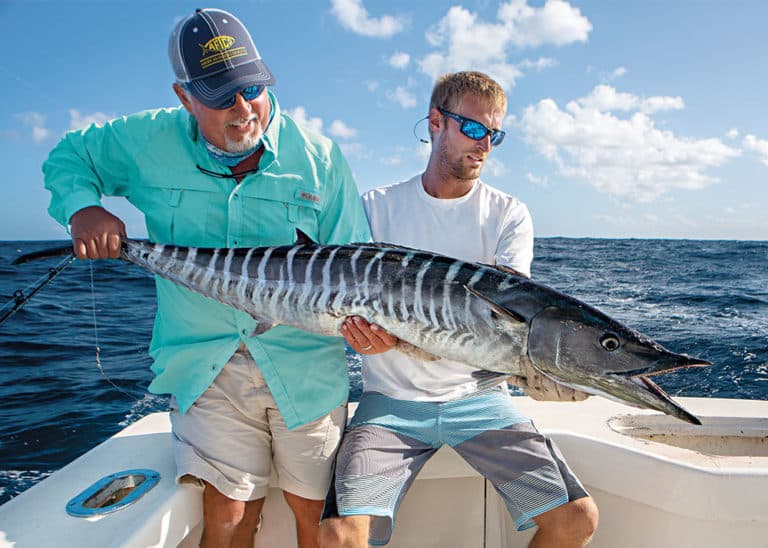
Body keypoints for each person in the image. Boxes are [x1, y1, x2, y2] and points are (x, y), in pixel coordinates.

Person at [42, 8, 370, 548]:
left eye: (253, 90)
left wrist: (372, 330)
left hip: (305, 364)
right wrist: (81, 209)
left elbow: (353, 263)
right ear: (184, 96)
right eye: (221, 97)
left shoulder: (320, 159)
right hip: (206, 362)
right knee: (227, 515)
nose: (243, 111)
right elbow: (69, 156)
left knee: (318, 519)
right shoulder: (148, 139)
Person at [319, 71, 599, 547]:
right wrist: (357, 330)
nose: (484, 144)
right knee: (339, 536)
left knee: (576, 519)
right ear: (435, 122)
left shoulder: (508, 213)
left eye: (495, 134)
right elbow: (342, 298)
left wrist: (545, 374)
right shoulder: (375, 207)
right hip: (390, 403)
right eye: (473, 129)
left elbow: (511, 322)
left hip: (481, 399)